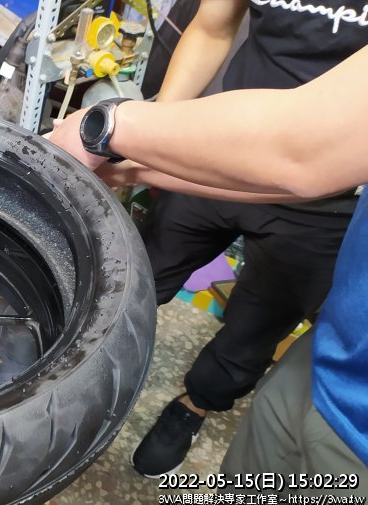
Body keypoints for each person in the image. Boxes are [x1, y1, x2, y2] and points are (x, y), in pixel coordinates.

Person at [46, 45, 368, 487]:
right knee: (122, 284)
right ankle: (64, 387)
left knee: (248, 338)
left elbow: (305, 154)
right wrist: (141, 164)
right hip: (332, 356)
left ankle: (194, 405)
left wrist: (107, 126)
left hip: (318, 209)